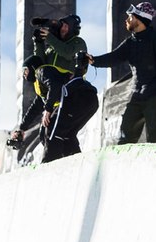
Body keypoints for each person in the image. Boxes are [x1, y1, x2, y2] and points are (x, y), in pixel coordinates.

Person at [8, 14, 99, 163]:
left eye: (66, 26)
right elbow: (39, 63)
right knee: (49, 132)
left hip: (74, 92)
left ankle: (50, 164)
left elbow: (68, 53)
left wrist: (50, 37)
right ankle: (74, 161)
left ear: (72, 29)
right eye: (61, 25)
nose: (62, 29)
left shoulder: (77, 42)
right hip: (60, 95)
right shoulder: (51, 52)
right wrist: (38, 42)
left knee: (52, 131)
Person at [85, 1, 156, 144]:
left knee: (155, 137)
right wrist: (93, 60)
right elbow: (114, 57)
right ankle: (125, 165)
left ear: (140, 20)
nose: (127, 20)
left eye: (130, 17)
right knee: (126, 134)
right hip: (137, 95)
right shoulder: (131, 42)